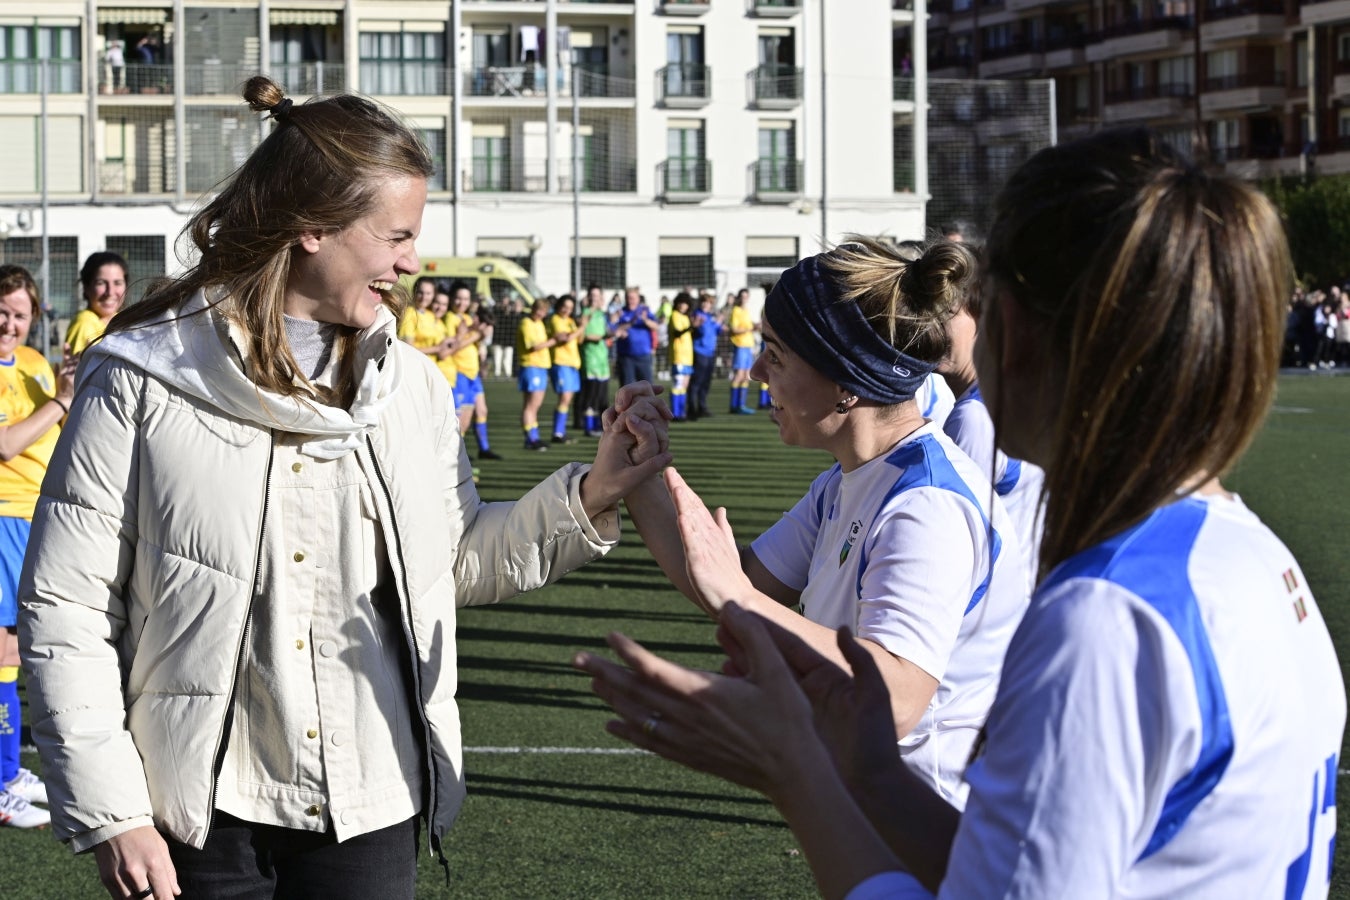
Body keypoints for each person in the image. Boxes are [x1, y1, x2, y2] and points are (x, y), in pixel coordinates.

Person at [576, 128, 1345, 899]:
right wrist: (866, 771)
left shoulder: (1106, 617)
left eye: (980, 304)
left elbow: (909, 713)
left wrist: (796, 771)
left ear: (1019, 330)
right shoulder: (1246, 553)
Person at [18, 76, 671, 900]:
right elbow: (67, 607)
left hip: (372, 805)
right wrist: (113, 811)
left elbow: (453, 563)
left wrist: (591, 493)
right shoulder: (142, 376)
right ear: (312, 230)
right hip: (194, 821)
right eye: (396, 235)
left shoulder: (415, 388)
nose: (412, 261)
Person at [616, 238, 1029, 807]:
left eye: (777, 355)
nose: (758, 370)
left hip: (942, 837)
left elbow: (898, 700)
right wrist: (639, 476)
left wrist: (739, 597)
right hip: (884, 821)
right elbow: (735, 586)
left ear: (847, 384)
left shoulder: (925, 505)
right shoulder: (850, 478)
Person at [0, 266, 74, 830]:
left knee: (18, 651)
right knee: (3, 653)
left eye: (19, 315)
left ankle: (8, 770)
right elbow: (6, 445)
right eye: (1, 312)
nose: (9, 324)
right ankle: (1, 781)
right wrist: (61, 401)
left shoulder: (31, 364)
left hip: (36, 517)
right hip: (3, 518)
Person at [935, 241, 1044, 595]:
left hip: (987, 612)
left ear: (981, 319)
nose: (930, 327)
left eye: (945, 314)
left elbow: (945, 540)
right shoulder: (1002, 399)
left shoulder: (973, 417)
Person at [446, 281, 501, 460]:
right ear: (452, 299)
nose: (462, 302)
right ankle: (456, 454)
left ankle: (483, 448)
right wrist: (477, 334)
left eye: (465, 299)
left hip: (473, 373)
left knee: (482, 411)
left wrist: (482, 340)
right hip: (459, 372)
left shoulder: (468, 319)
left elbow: (475, 344)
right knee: (461, 418)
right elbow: (453, 346)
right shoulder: (450, 318)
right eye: (458, 298)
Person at [66, 251, 130, 355]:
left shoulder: (123, 321)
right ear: (86, 287)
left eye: (117, 283)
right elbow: (79, 369)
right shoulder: (84, 323)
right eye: (101, 283)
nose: (110, 292)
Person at [517, 296, 557, 451]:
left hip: (540, 367)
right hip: (531, 366)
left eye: (543, 311)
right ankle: (530, 438)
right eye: (539, 310)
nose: (541, 313)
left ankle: (534, 437)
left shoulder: (539, 323)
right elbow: (534, 346)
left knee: (535, 405)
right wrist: (554, 340)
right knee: (531, 405)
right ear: (533, 309)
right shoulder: (526, 323)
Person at [578, 285, 612, 438]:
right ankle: (589, 426)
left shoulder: (601, 314)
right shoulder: (585, 314)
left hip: (602, 359)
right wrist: (602, 337)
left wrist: (614, 332)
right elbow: (582, 335)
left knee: (602, 396)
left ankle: (600, 426)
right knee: (591, 394)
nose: (595, 298)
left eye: (598, 295)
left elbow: (605, 332)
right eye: (592, 295)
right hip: (591, 359)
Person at [547, 294, 581, 444]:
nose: (567, 310)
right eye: (565, 307)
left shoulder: (570, 321)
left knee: (568, 399)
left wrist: (579, 329)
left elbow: (579, 339)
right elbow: (565, 338)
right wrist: (582, 327)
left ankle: (561, 431)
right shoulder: (555, 319)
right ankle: (557, 432)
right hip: (561, 362)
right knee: (564, 398)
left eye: (570, 308)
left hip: (573, 363)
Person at [613, 287, 659, 386]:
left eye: (632, 298)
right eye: (628, 298)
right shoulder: (620, 312)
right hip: (626, 357)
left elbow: (656, 326)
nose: (630, 301)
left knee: (647, 388)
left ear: (638, 299)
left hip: (643, 356)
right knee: (628, 389)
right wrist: (625, 326)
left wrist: (645, 320)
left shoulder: (644, 311)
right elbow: (614, 329)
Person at [688, 292, 721, 420]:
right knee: (697, 381)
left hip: (710, 352)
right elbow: (700, 331)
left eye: (708, 302)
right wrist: (714, 323)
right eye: (704, 302)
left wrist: (718, 323)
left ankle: (702, 406)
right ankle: (692, 408)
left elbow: (715, 331)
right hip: (699, 351)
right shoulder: (698, 315)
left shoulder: (709, 316)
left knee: (706, 382)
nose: (705, 304)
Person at [727, 288, 758, 414]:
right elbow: (734, 329)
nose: (744, 298)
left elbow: (748, 326)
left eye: (746, 296)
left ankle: (741, 405)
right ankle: (733, 405)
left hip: (748, 345)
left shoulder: (746, 311)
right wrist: (750, 328)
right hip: (740, 345)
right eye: (742, 296)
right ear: (739, 298)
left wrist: (755, 326)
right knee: (739, 375)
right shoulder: (736, 310)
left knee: (746, 376)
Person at [666, 292, 694, 421]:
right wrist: (691, 327)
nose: (683, 306)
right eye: (681, 303)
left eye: (686, 303)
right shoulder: (674, 315)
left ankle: (681, 412)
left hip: (688, 357)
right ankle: (675, 413)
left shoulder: (686, 317)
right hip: (678, 356)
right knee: (678, 384)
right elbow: (677, 332)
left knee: (684, 385)